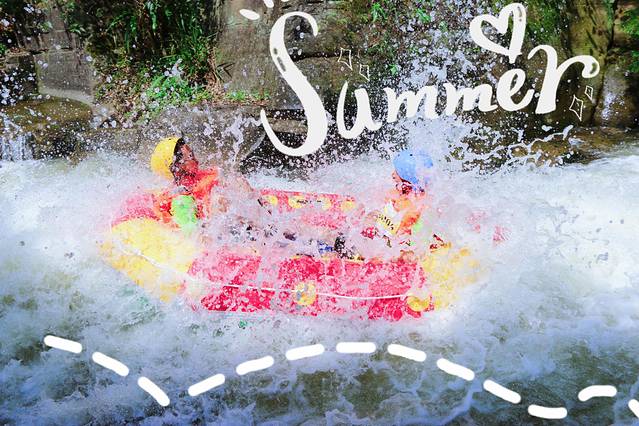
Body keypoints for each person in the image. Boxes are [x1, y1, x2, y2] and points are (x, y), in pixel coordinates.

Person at [150, 136, 254, 234]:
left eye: (190, 151)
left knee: (238, 181)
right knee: (218, 200)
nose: (191, 152)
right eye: (187, 155)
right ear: (177, 167)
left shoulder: (205, 175)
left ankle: (258, 221)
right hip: (218, 228)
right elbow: (191, 231)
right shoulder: (179, 198)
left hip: (237, 216)